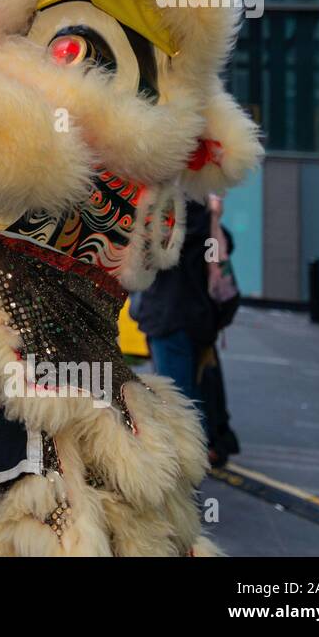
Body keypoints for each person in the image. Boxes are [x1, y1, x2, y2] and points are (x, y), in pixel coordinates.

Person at [134, 194, 240, 467]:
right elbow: (224, 249)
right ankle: (201, 450)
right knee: (193, 391)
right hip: (199, 319)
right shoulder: (206, 221)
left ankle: (187, 462)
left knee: (178, 397)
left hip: (168, 317)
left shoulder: (170, 221)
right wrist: (214, 218)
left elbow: (145, 255)